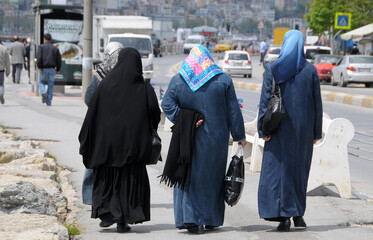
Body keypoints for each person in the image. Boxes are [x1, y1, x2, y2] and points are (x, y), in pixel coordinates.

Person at [161, 46, 246, 234]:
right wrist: (239, 136)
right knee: (213, 177)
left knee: (189, 176)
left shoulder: (179, 79)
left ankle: (191, 221)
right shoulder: (223, 80)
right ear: (208, 59)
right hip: (216, 139)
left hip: (187, 138)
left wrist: (184, 120)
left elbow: (166, 104)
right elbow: (233, 111)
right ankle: (211, 219)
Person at [79, 47, 161, 233]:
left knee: (107, 179)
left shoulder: (105, 86)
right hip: (133, 148)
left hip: (106, 148)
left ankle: (107, 215)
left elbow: (91, 115)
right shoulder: (145, 90)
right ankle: (123, 220)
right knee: (128, 181)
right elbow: (155, 114)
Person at [257, 30, 323, 231]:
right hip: (302, 131)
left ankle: (283, 217)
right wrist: (316, 132)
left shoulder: (273, 68)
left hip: (278, 129)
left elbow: (265, 100)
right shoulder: (310, 70)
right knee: (299, 172)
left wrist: (263, 129)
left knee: (278, 172)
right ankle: (298, 214)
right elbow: (317, 104)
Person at [81, 41, 123, 206]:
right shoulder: (126, 73)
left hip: (99, 123)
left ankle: (90, 196)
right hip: (120, 124)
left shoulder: (100, 74)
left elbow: (88, 99)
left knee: (94, 157)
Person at [36, 33, 62, 106]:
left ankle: (43, 93)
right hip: (52, 69)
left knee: (41, 82)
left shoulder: (41, 47)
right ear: (51, 39)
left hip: (43, 68)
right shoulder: (55, 48)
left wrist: (39, 67)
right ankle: (49, 101)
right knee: (50, 85)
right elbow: (58, 59)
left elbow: (39, 58)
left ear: (44, 39)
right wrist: (58, 69)